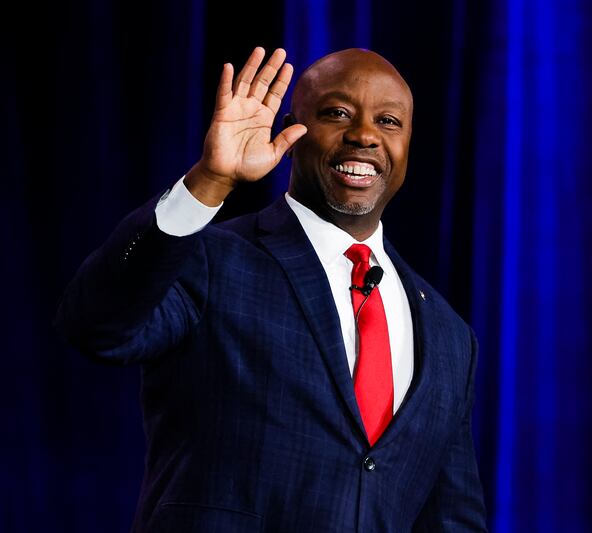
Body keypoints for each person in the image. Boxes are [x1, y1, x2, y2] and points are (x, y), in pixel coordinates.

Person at [55, 46, 487, 532]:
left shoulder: (450, 337)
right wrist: (209, 182)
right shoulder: (212, 259)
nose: (364, 135)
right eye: (336, 113)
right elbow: (97, 326)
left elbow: (452, 519)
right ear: (289, 131)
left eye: (388, 122)